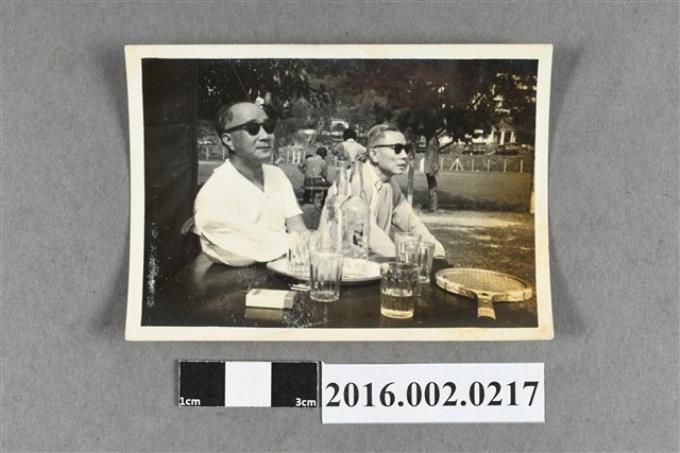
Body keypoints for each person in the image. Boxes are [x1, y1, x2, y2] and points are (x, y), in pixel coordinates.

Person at [193, 102, 308, 267]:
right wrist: (295, 243)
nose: (265, 136)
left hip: (288, 269)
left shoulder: (277, 175)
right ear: (228, 140)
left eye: (268, 126)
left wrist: (299, 242)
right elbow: (240, 255)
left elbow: (298, 227)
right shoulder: (214, 193)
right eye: (252, 128)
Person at [320, 123, 446, 258]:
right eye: (397, 149)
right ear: (374, 154)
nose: (404, 155)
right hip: (333, 262)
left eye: (406, 149)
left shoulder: (391, 185)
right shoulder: (352, 181)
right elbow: (368, 230)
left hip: (365, 263)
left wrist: (438, 251)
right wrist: (401, 259)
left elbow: (411, 223)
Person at [424, 133, 441, 212]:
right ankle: (433, 206)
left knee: (432, 185)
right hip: (431, 166)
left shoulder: (432, 141)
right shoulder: (432, 141)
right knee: (432, 184)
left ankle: (433, 206)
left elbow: (432, 154)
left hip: (432, 166)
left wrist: (432, 167)